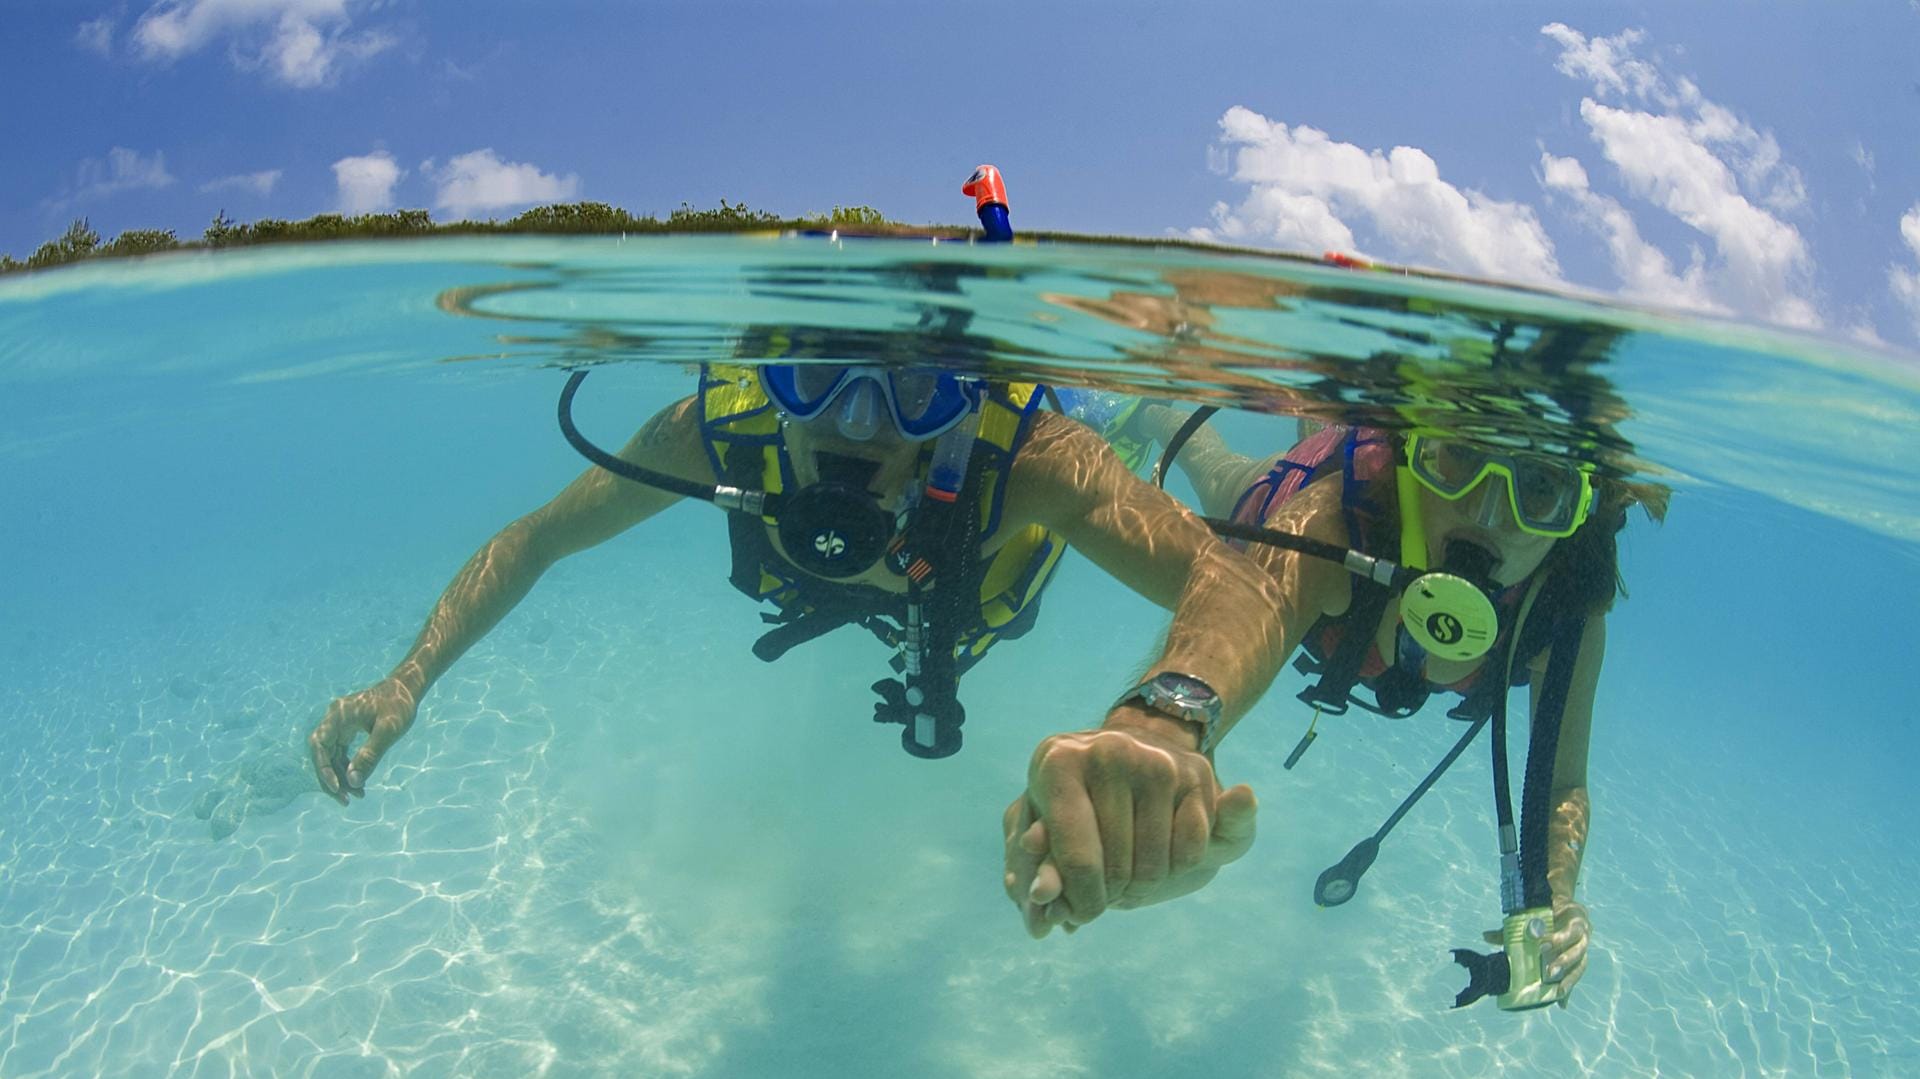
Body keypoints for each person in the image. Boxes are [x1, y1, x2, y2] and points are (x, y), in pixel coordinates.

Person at [308, 359, 1293, 936]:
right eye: (816, 377)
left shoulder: (1029, 456)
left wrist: (1169, 716)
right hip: (899, 597)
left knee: (1109, 419)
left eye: (917, 387)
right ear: (768, 373)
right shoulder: (716, 433)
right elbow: (538, 537)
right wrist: (410, 676)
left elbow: (1234, 582)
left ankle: (1164, 417)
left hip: (989, 589)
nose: (858, 421)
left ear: (966, 397)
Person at [1085, 404, 1662, 1008]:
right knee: (1221, 471)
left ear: (1577, 513)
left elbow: (1563, 782)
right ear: (1414, 451)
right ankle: (1158, 412)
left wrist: (1555, 893)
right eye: (1460, 455)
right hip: (1285, 504)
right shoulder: (1328, 524)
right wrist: (1170, 737)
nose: (1486, 513)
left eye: (1540, 487)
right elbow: (1226, 642)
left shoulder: (1563, 620)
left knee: (1315, 428)